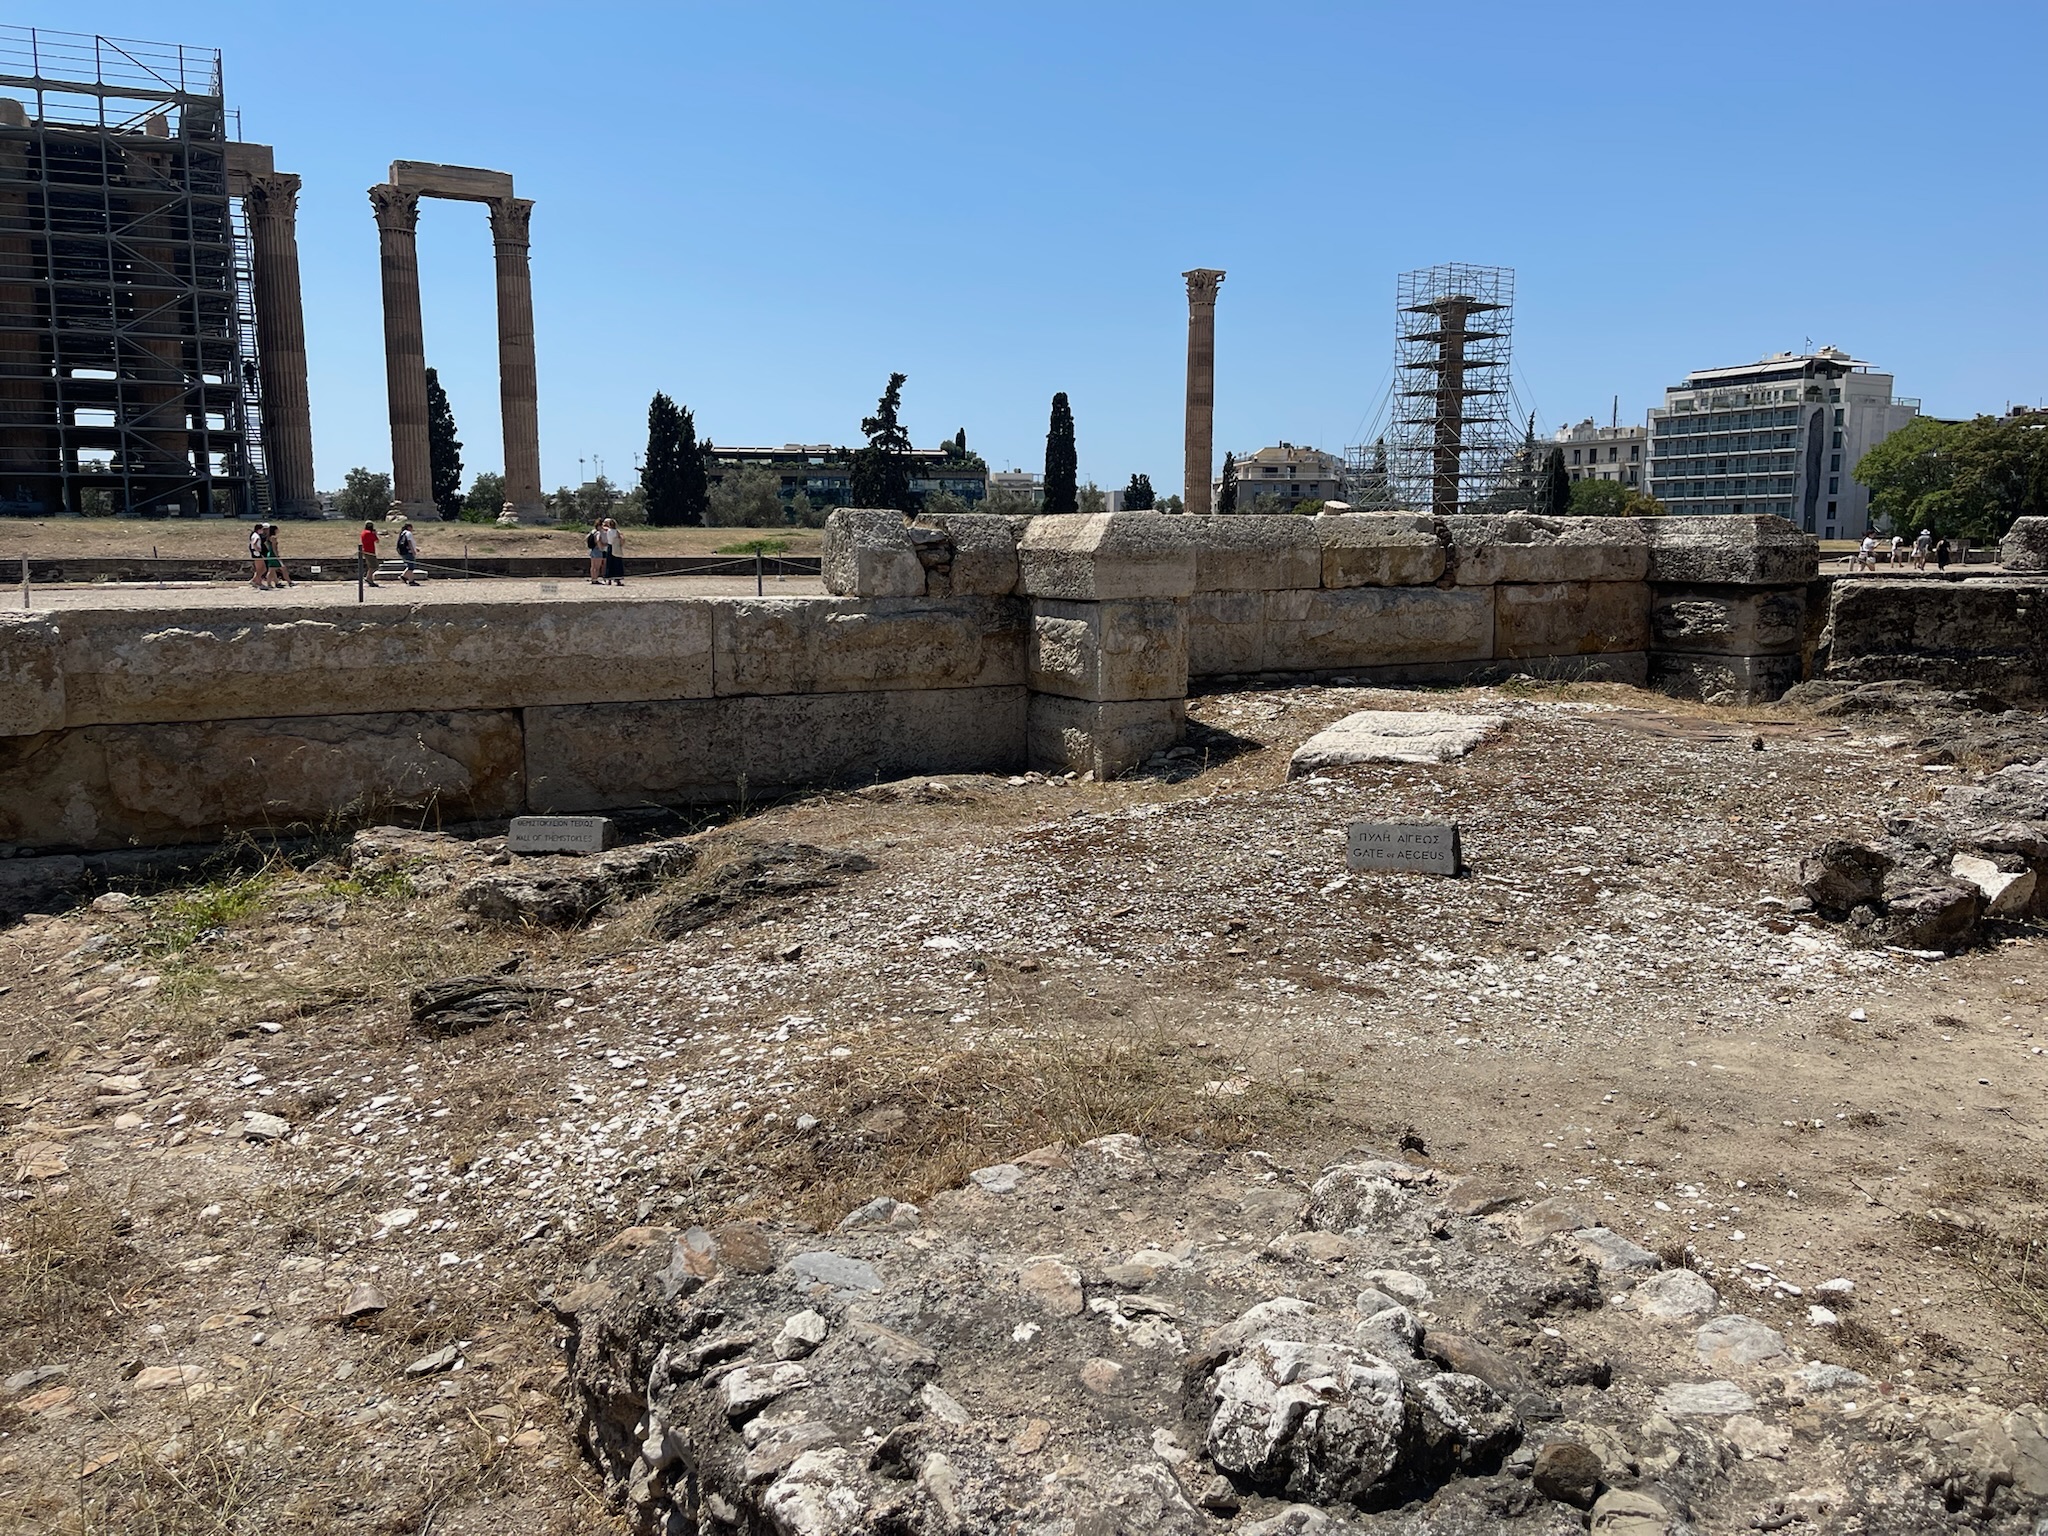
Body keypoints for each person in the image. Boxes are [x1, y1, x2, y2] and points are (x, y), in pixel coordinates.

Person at [262, 523, 291, 588]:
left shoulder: (268, 537)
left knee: (272, 570)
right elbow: (274, 548)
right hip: (273, 555)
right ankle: (289, 582)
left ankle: (270, 583)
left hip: (270, 554)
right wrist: (277, 556)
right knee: (282, 568)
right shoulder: (273, 538)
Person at [396, 521, 419, 586]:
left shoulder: (403, 533)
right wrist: (413, 550)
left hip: (403, 552)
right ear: (409, 527)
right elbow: (409, 542)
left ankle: (403, 576)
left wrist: (415, 548)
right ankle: (411, 580)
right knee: (411, 567)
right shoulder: (408, 533)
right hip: (408, 552)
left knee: (409, 565)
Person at [603, 517, 625, 585]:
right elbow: (622, 538)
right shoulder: (617, 531)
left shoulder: (608, 531)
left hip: (610, 547)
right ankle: (618, 579)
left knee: (609, 563)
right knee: (617, 563)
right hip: (616, 547)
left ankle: (609, 579)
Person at [359, 520, 381, 587]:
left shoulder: (363, 532)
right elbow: (377, 541)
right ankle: (368, 578)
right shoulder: (370, 533)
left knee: (371, 566)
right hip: (370, 551)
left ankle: (369, 579)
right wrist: (374, 534)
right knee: (374, 566)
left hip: (365, 550)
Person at [248, 522, 270, 589]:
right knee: (260, 569)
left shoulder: (254, 535)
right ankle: (258, 582)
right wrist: (257, 549)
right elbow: (254, 543)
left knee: (262, 568)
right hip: (256, 553)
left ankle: (255, 580)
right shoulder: (256, 536)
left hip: (256, 553)